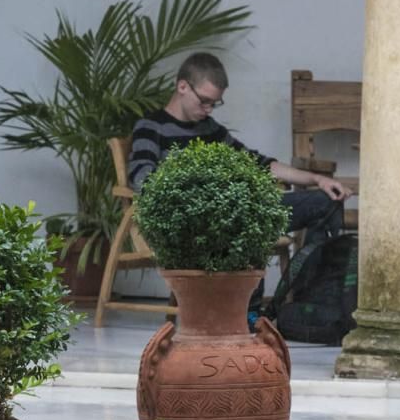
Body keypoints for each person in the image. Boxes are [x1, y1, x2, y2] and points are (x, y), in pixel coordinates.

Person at [128, 53, 354, 314]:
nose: (209, 110)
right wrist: (191, 193)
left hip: (240, 210)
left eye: (215, 104)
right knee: (240, 225)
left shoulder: (210, 129)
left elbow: (259, 163)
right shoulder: (151, 127)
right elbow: (140, 177)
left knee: (326, 201)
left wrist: (317, 179)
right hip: (200, 220)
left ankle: (309, 305)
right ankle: (248, 314)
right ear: (182, 87)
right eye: (204, 101)